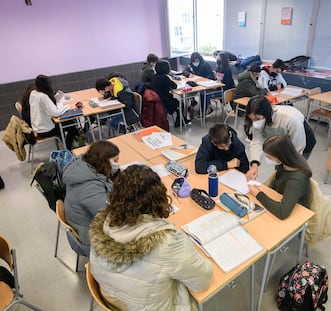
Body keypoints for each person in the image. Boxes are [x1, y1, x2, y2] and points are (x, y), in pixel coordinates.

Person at [89, 165, 213, 310]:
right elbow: (202, 281)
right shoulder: (168, 243)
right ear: (159, 198)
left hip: (116, 301)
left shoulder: (102, 225)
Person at [62, 140, 120, 255]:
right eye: (115, 160)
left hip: (84, 225)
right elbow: (111, 217)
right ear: (103, 161)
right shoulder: (90, 188)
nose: (117, 164)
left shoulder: (82, 167)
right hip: (91, 241)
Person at [245, 95, 316, 180]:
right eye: (251, 119)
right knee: (279, 170)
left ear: (266, 113)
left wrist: (289, 164)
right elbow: (257, 141)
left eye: (257, 119)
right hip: (281, 141)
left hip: (303, 140)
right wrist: (254, 164)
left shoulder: (289, 119)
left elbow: (298, 147)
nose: (255, 122)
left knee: (292, 172)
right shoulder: (258, 120)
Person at [248, 134, 312, 220]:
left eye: (269, 157)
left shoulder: (295, 180)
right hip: (282, 199)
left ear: (280, 157)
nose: (267, 159)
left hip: (296, 214)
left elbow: (282, 212)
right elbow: (276, 186)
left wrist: (258, 194)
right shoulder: (285, 165)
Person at [29, 75, 78, 149]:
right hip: (45, 130)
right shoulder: (43, 96)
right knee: (72, 126)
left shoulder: (33, 93)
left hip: (36, 127)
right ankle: (68, 148)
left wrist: (55, 99)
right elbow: (55, 113)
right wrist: (68, 107)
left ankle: (66, 144)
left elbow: (45, 106)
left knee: (68, 123)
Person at [151, 60, 190, 127]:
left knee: (177, 102)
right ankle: (179, 121)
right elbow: (174, 86)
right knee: (180, 104)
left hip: (158, 100)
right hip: (165, 101)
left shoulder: (155, 76)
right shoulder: (164, 78)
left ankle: (180, 120)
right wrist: (171, 76)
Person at [184, 52, 215, 116]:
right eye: (194, 61)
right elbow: (185, 71)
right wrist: (188, 74)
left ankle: (203, 110)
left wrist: (202, 79)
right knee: (188, 90)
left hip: (205, 84)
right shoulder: (191, 64)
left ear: (199, 59)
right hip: (196, 84)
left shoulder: (205, 65)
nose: (195, 62)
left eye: (197, 61)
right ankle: (193, 102)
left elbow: (211, 76)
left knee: (203, 93)